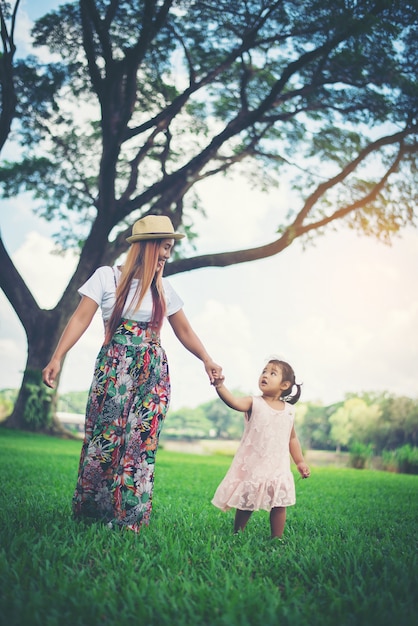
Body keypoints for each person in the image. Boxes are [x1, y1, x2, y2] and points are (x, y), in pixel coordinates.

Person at [42, 215, 222, 533]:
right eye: (164, 247)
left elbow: (184, 330)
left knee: (141, 442)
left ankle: (129, 520)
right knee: (106, 439)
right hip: (114, 369)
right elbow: (80, 318)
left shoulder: (163, 288)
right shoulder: (107, 277)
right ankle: (92, 513)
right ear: (147, 246)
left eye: (170, 248)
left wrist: (207, 359)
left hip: (153, 371)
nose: (167, 254)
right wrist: (57, 356)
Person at [211, 358, 310, 539]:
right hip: (255, 464)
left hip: (278, 466)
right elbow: (233, 402)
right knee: (246, 501)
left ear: (285, 384)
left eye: (272, 373)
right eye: (264, 371)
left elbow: (292, 438)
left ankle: (277, 538)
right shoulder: (253, 402)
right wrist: (220, 386)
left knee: (279, 503)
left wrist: (300, 461)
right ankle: (237, 532)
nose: (265, 375)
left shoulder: (289, 410)